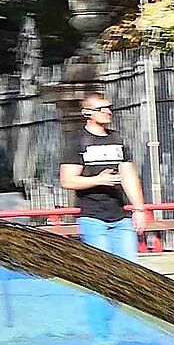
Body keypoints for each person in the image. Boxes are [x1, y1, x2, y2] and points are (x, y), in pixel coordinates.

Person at [58, 92, 147, 264]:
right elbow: (67, 180)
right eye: (102, 108)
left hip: (121, 217)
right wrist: (98, 180)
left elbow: (128, 175)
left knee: (131, 269)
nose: (108, 112)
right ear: (88, 113)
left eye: (109, 107)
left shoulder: (116, 138)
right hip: (92, 218)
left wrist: (139, 210)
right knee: (103, 269)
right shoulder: (78, 140)